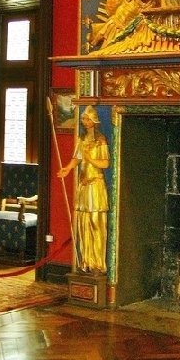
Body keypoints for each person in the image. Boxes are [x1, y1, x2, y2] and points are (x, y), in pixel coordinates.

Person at [57, 105, 109, 274]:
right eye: (83, 119)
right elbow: (77, 158)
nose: (85, 122)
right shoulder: (82, 139)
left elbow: (105, 163)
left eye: (87, 119)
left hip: (96, 185)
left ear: (94, 120)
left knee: (95, 222)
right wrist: (67, 169)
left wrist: (90, 159)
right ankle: (86, 261)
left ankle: (98, 263)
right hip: (84, 185)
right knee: (83, 223)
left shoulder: (100, 140)